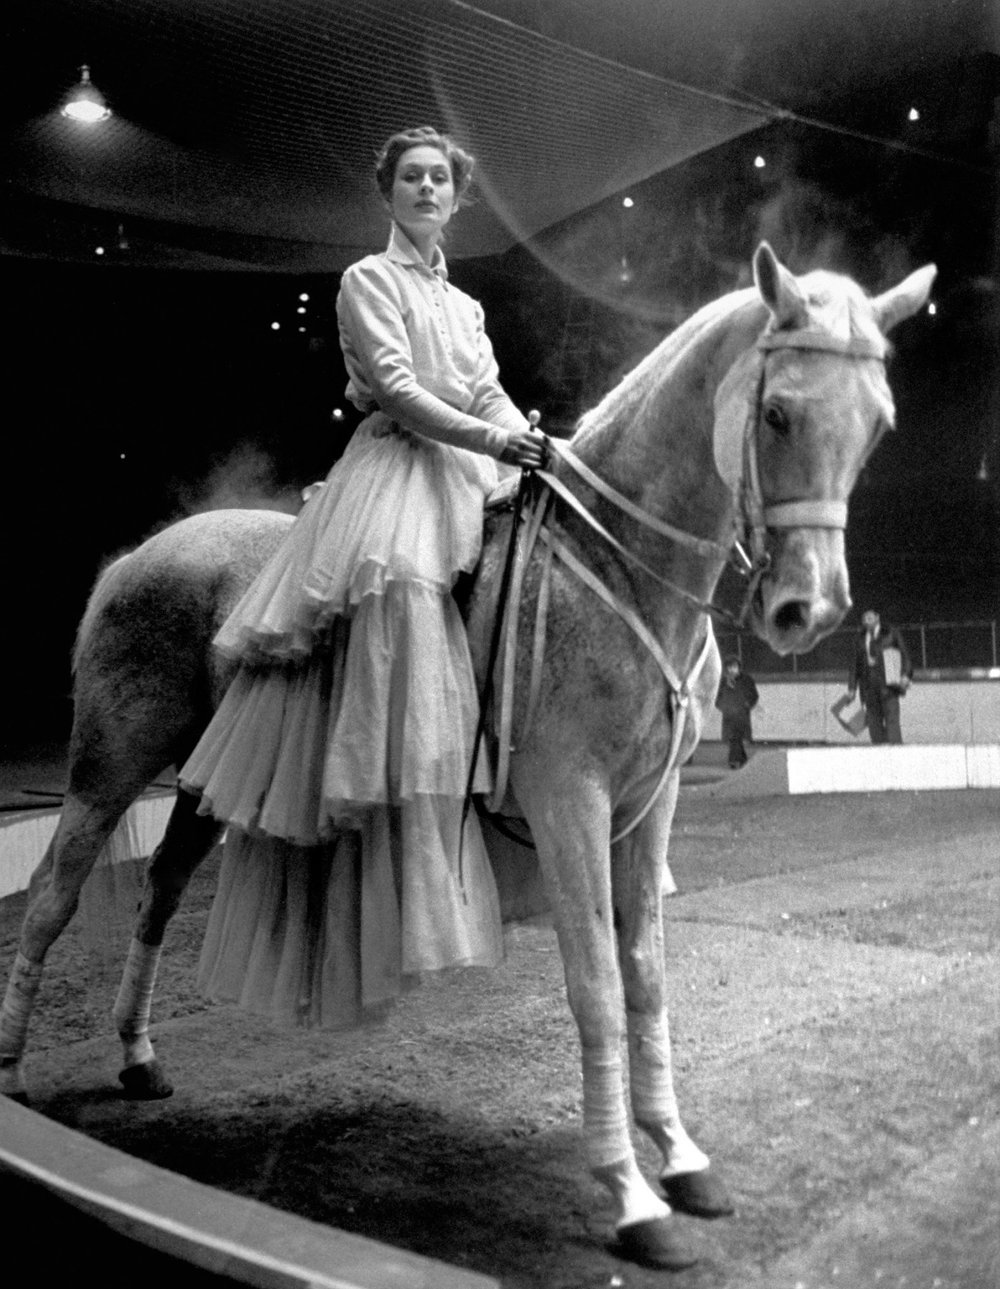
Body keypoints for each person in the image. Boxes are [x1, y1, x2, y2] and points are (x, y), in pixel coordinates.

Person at [179, 125, 548, 1029]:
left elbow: (488, 390)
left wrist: (535, 438)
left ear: (458, 198)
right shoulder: (365, 282)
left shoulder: (464, 308)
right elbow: (396, 388)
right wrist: (495, 439)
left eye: (440, 180)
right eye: (412, 179)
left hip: (466, 468)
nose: (427, 191)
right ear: (389, 193)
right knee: (400, 601)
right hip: (393, 480)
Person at [847, 609, 913, 744]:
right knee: (874, 724)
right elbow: (854, 665)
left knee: (892, 722)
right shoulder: (859, 638)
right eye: (864, 618)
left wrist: (906, 675)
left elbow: (905, 656)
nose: (866, 621)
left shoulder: (890, 633)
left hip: (889, 685)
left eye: (870, 617)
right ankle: (880, 755)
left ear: (877, 617)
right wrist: (852, 688)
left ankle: (896, 754)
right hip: (869, 687)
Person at [715, 656, 759, 769]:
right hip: (729, 715)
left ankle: (736, 760)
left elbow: (754, 695)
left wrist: (747, 704)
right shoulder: (723, 682)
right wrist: (723, 707)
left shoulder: (747, 680)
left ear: (739, 667)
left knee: (737, 738)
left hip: (742, 714)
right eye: (730, 667)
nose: (732, 670)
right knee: (733, 738)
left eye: (734, 667)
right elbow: (716, 697)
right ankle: (737, 760)